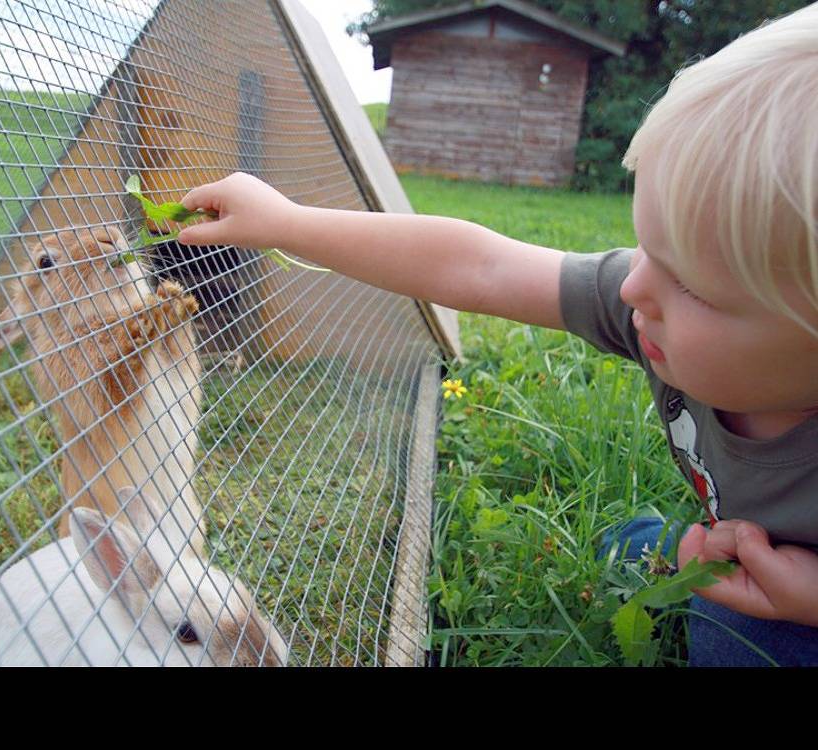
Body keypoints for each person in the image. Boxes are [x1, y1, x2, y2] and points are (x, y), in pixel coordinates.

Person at [175, 5, 818, 665]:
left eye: (693, 285)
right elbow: (481, 266)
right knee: (653, 552)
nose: (632, 289)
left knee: (744, 643)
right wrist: (286, 223)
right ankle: (663, 543)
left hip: (793, 597)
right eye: (645, 248)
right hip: (733, 537)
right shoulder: (649, 308)